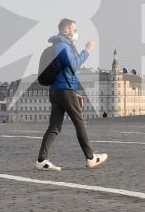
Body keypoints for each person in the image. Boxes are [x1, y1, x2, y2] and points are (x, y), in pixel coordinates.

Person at [37, 19, 107, 171]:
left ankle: (42, 160)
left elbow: (67, 72)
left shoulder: (61, 45)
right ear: (67, 30)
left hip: (58, 90)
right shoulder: (62, 45)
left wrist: (75, 92)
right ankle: (90, 157)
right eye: (75, 30)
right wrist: (87, 50)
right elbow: (73, 65)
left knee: (55, 126)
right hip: (64, 90)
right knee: (79, 121)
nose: (76, 33)